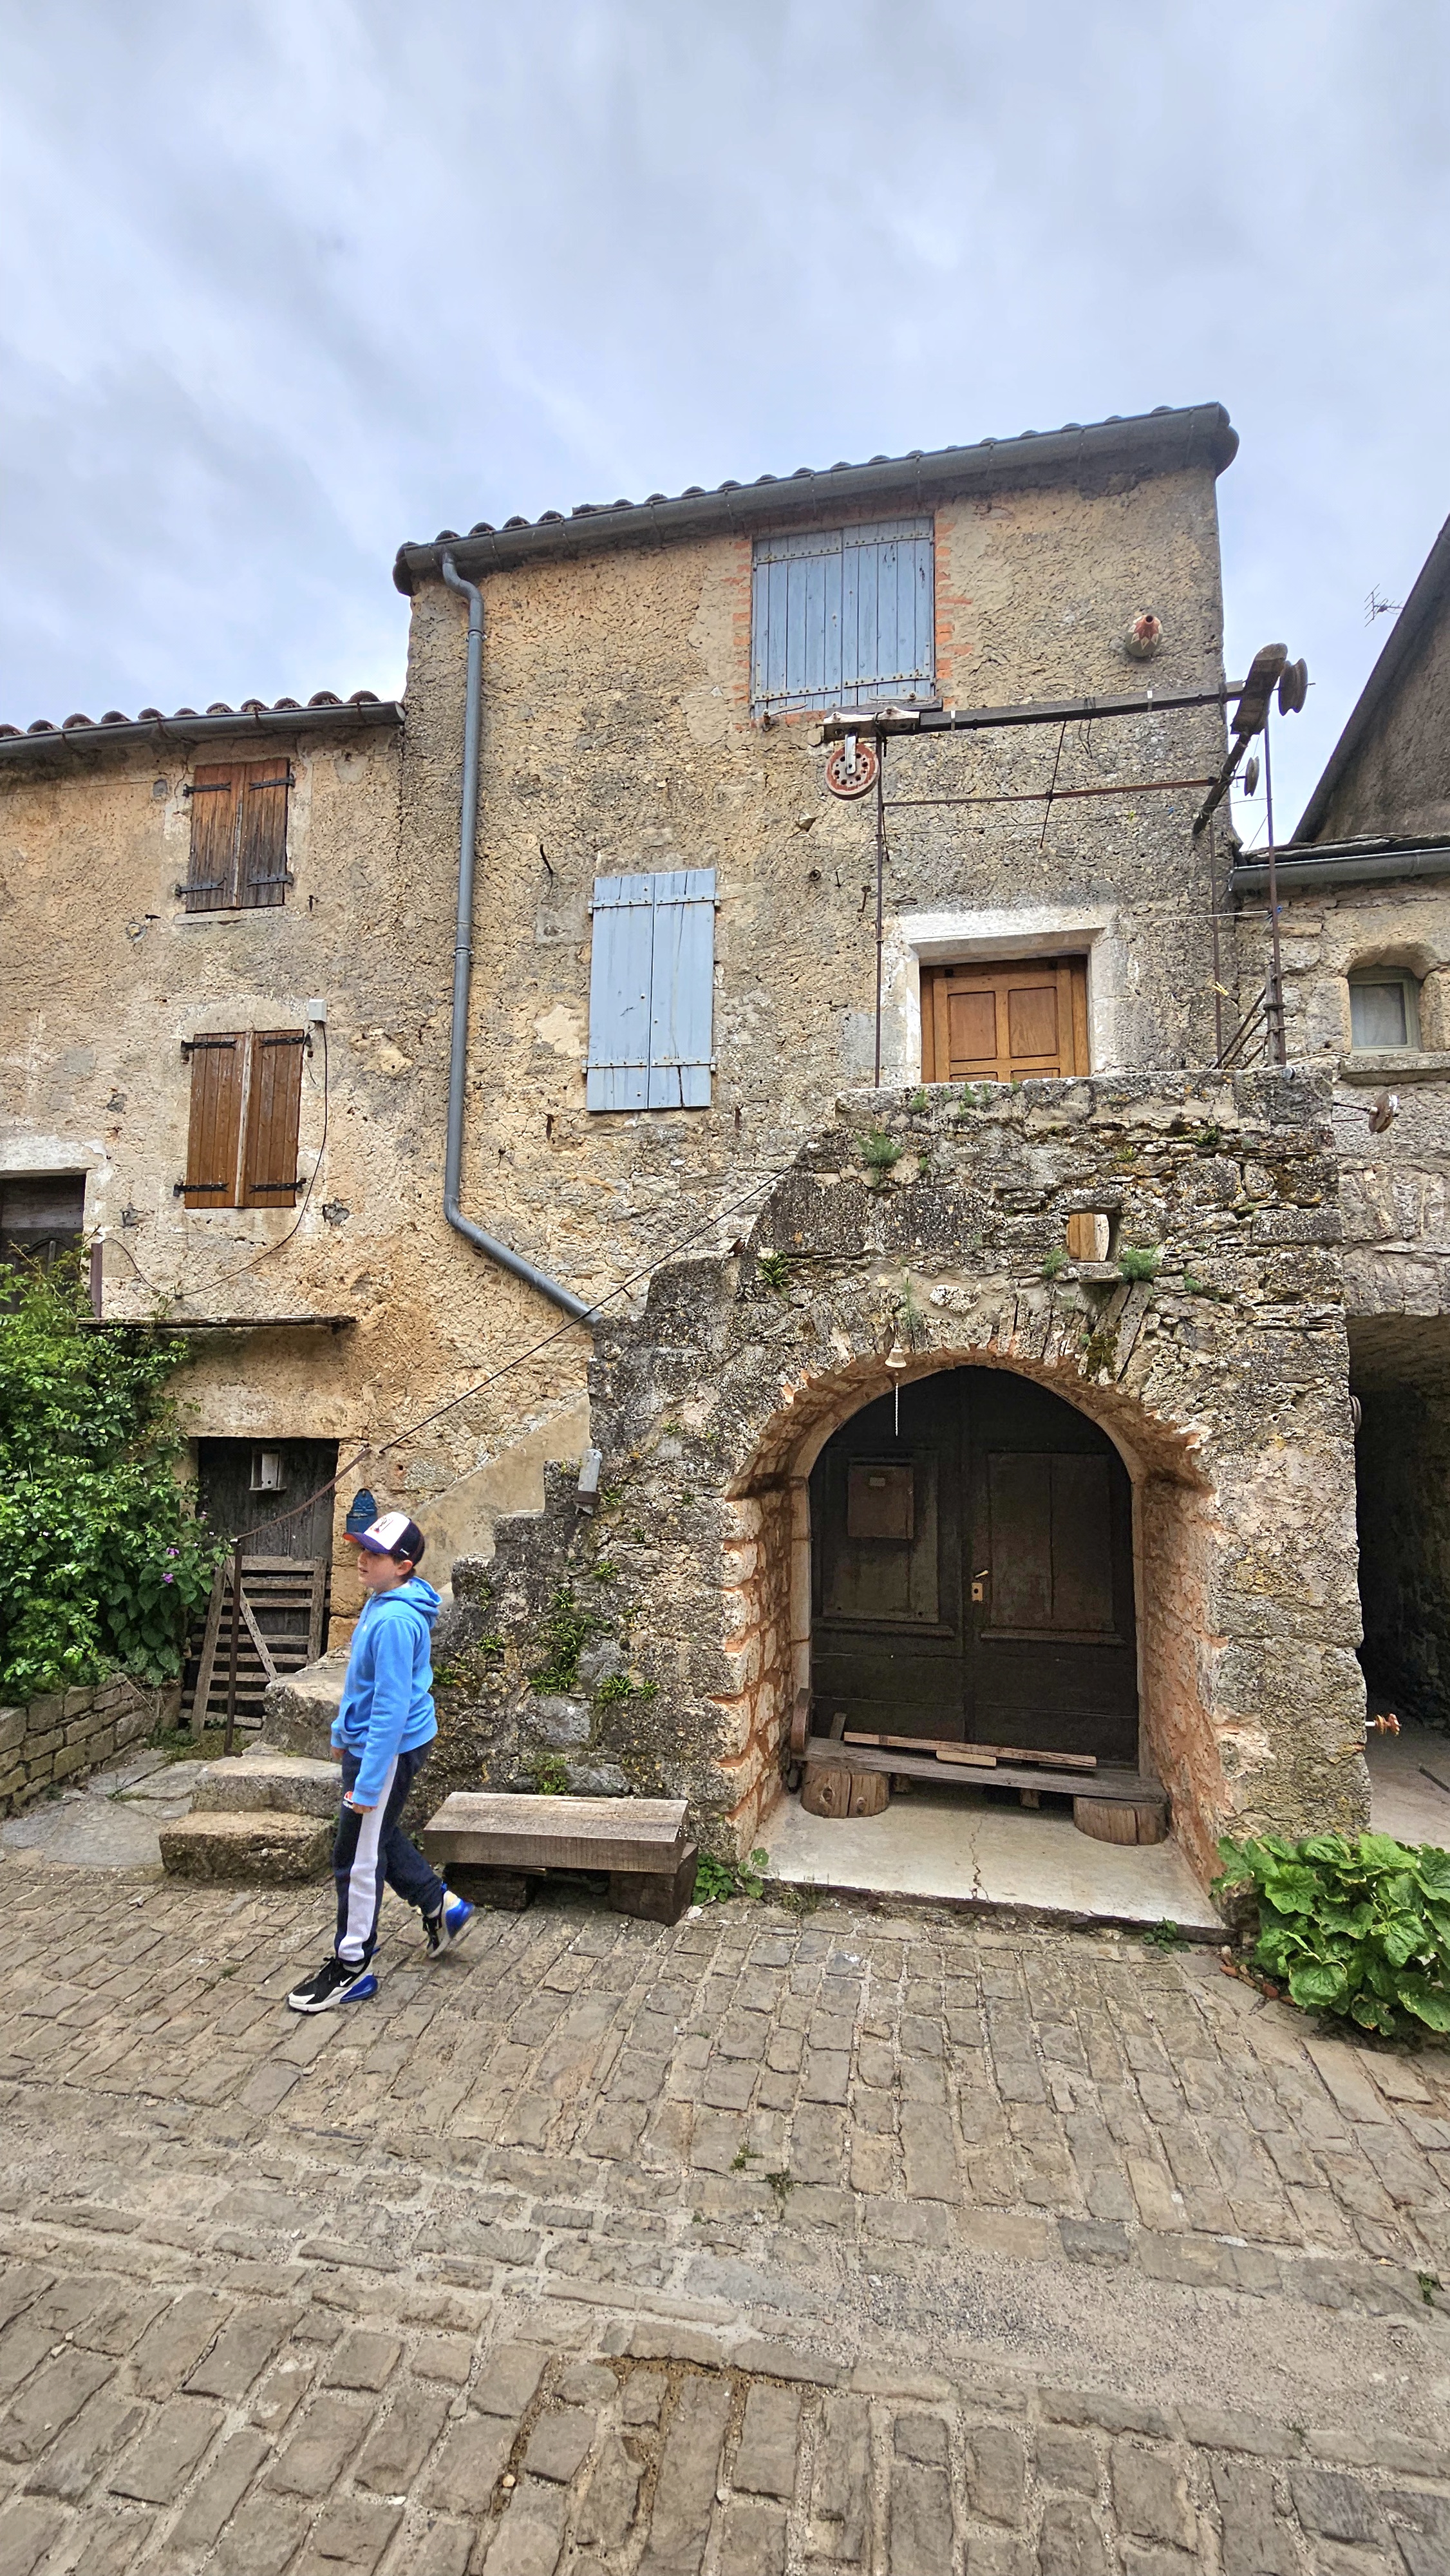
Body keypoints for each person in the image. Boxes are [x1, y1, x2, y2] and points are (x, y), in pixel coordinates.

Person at [287, 1510, 473, 2013]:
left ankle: (353, 1967)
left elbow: (391, 1708)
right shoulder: (381, 1600)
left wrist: (369, 1782)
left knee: (355, 1857)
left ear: (404, 1566)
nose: (362, 1559)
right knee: (376, 1834)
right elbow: (362, 1684)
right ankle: (440, 1906)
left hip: (386, 1750)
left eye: (375, 1554)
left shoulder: (393, 1620)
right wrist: (342, 1732)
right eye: (362, 1549)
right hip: (372, 1744)